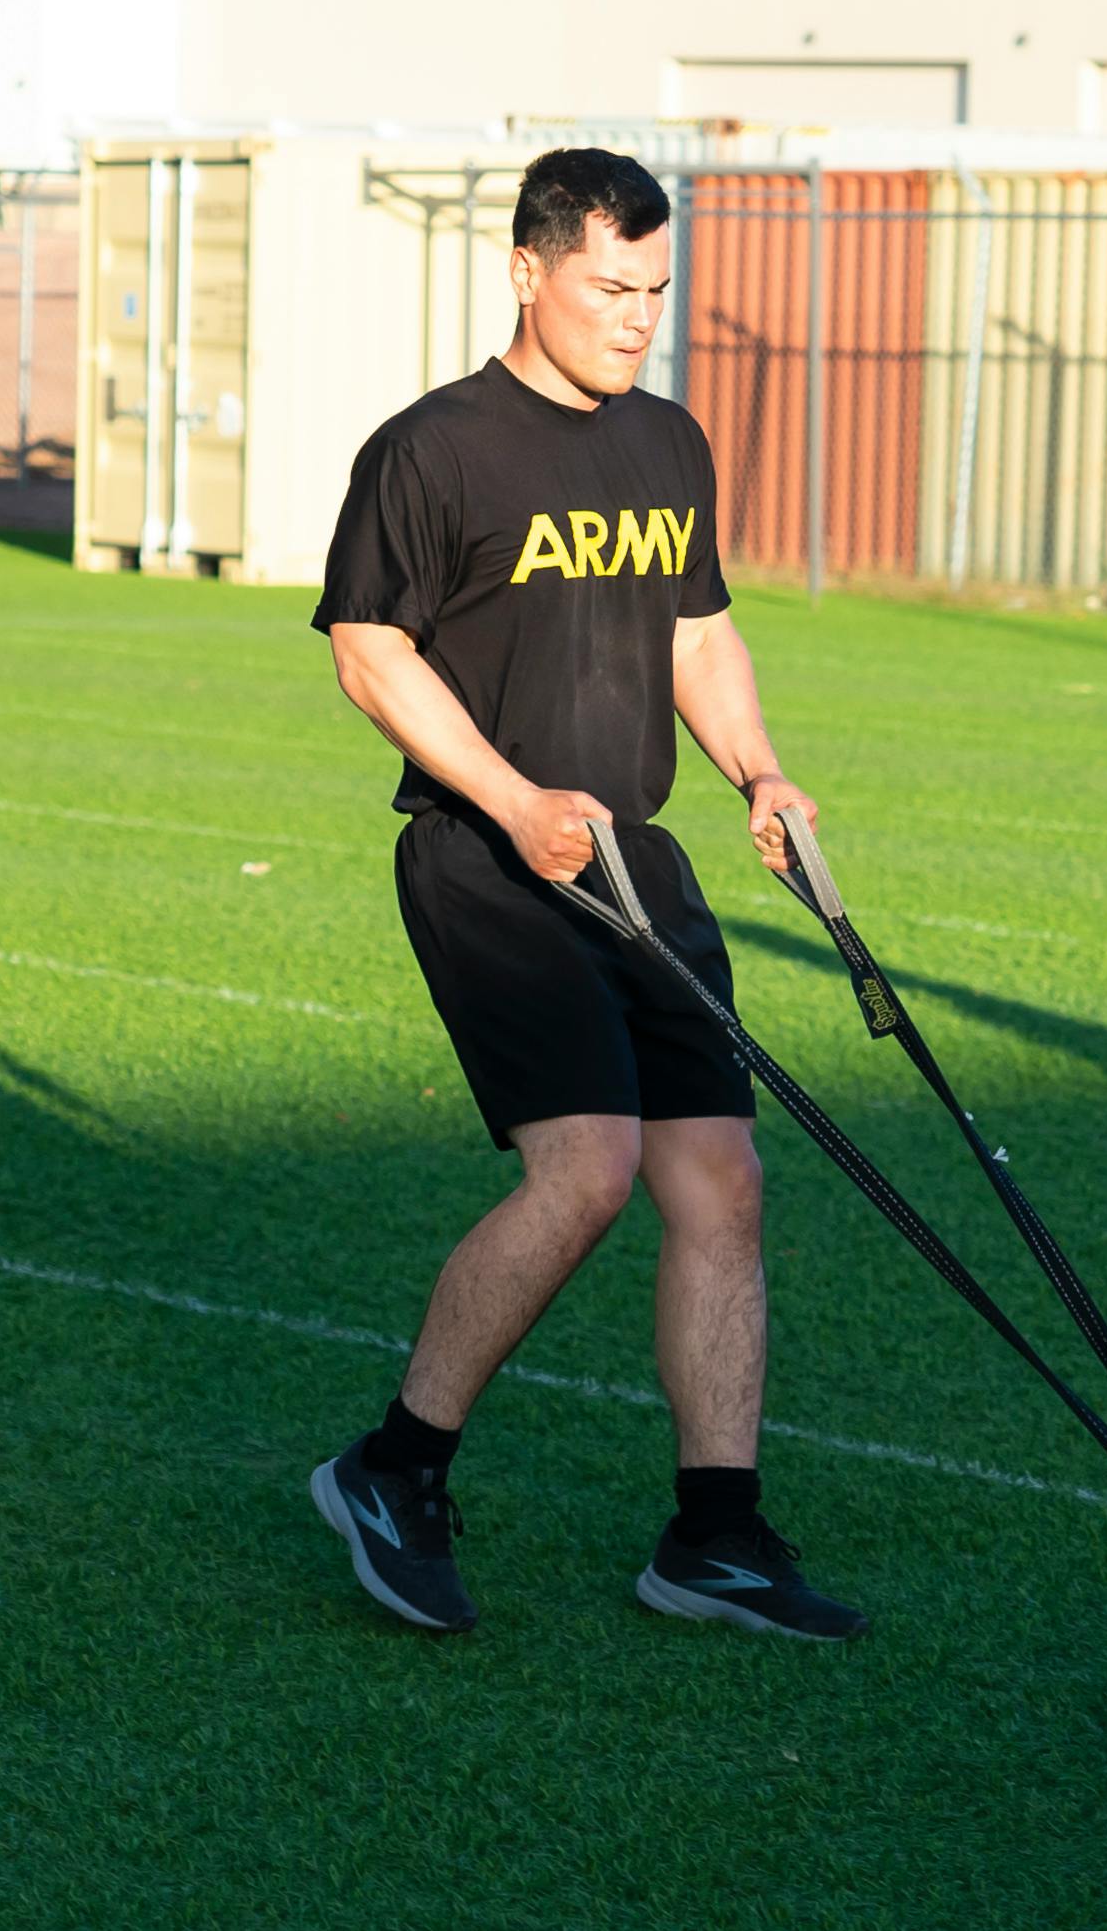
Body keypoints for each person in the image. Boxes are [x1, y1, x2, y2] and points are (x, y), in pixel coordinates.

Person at [305, 147, 862, 1642]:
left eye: (657, 291)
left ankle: (717, 1536)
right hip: (490, 858)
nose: (638, 319)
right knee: (590, 1169)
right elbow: (369, 649)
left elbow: (698, 635)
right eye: (611, 288)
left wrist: (757, 771)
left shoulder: (666, 445)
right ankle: (395, 1469)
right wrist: (510, 798)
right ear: (530, 269)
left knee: (722, 1182)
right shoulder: (434, 450)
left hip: (641, 858)